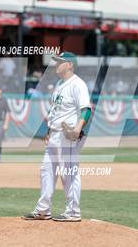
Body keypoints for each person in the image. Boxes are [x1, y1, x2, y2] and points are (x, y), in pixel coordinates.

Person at [22, 52, 92, 222]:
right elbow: (56, 111)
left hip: (68, 135)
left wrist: (77, 128)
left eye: (60, 62)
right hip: (55, 134)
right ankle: (43, 210)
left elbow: (86, 109)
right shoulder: (60, 84)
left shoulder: (78, 84)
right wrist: (49, 131)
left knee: (68, 173)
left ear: (70, 64)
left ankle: (73, 211)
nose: (56, 64)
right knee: (46, 171)